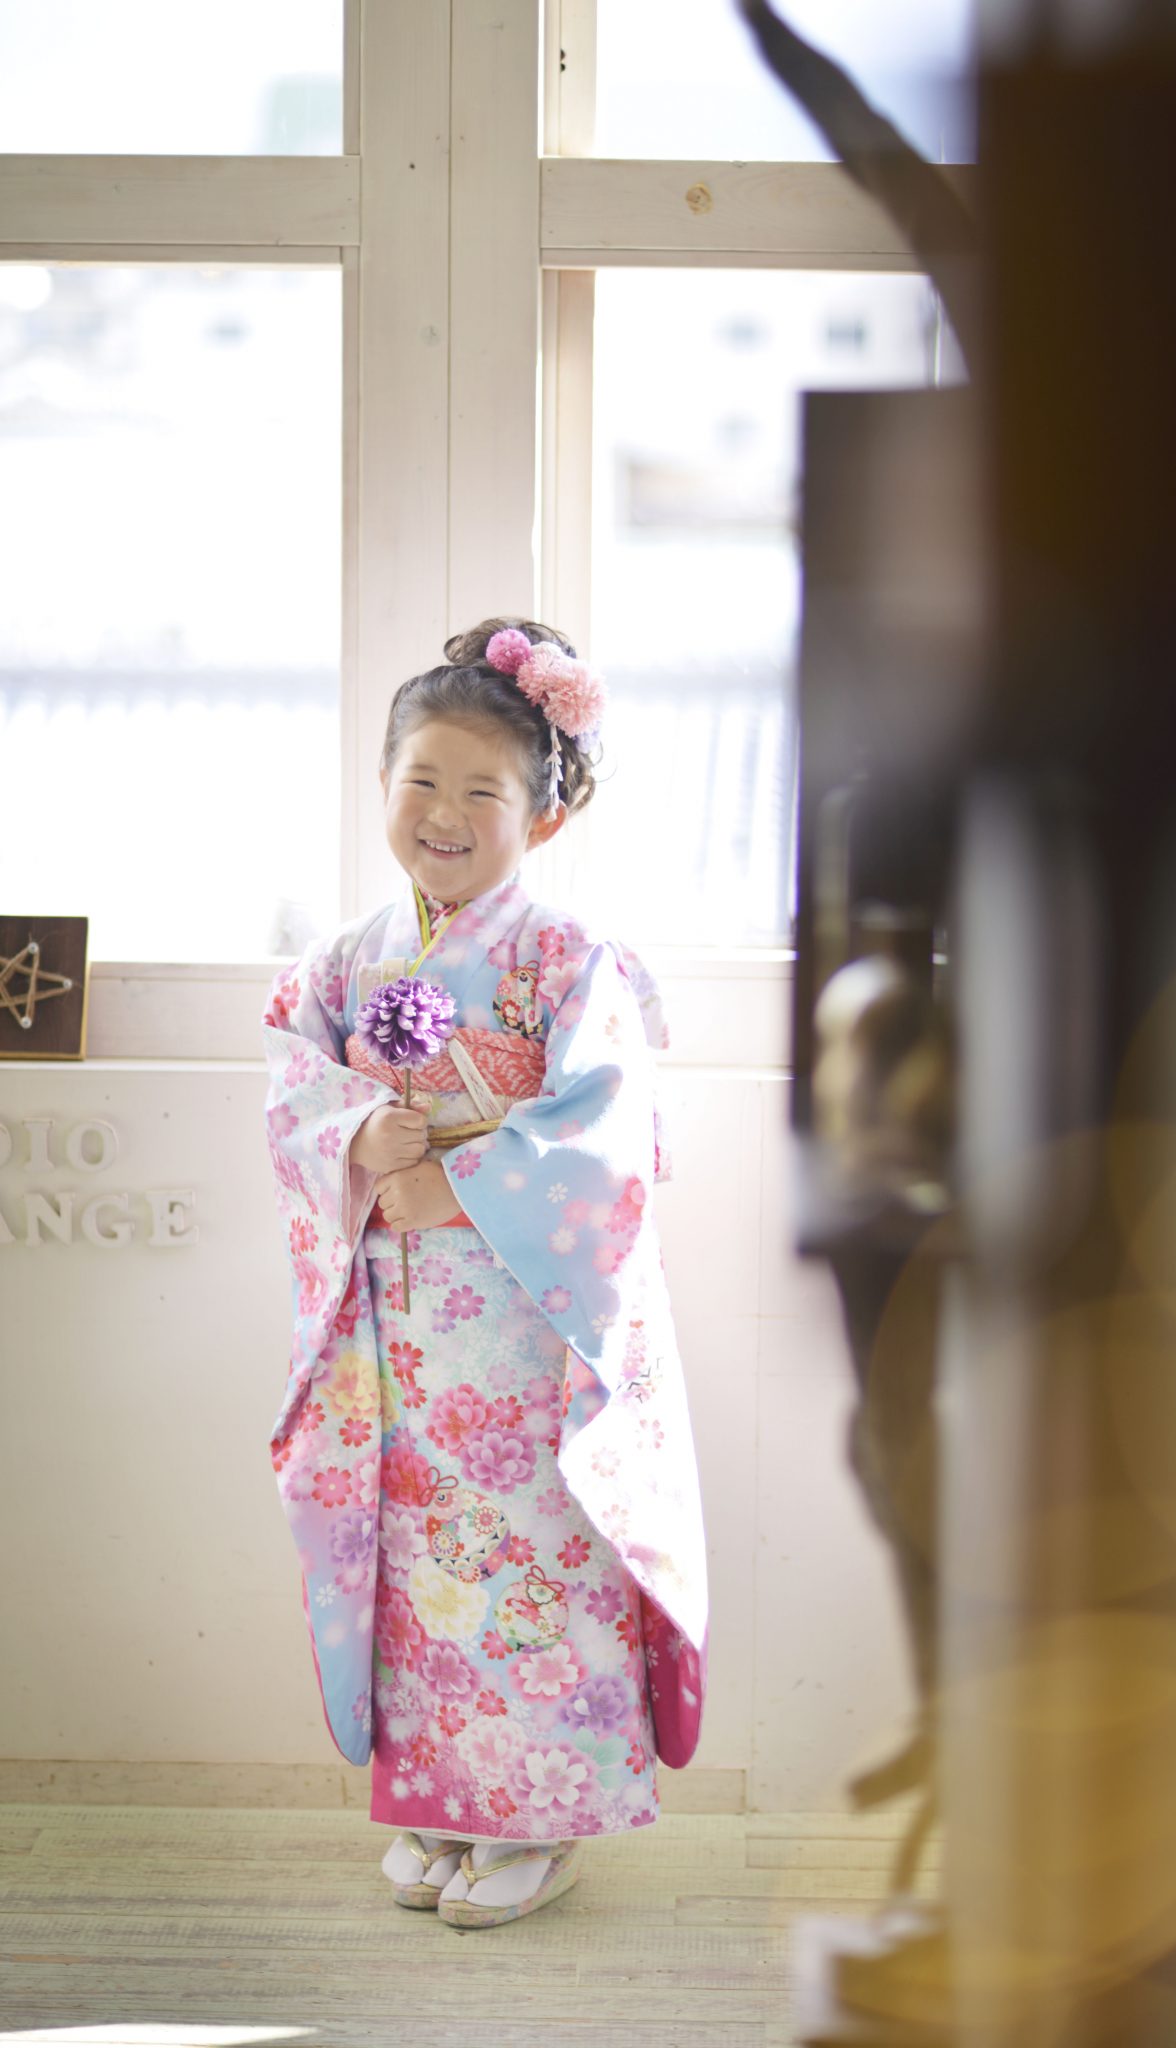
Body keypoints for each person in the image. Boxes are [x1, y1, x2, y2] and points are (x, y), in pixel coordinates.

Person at [262, 618, 708, 1929]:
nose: (445, 813)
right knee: (420, 1563)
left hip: (530, 1331)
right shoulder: (346, 959)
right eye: (422, 779)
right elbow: (293, 1090)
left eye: (482, 790)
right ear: (382, 783)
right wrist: (358, 1136)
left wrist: (447, 1183)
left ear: (545, 816)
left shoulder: (571, 961)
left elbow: (608, 1132)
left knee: (532, 1560)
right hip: (398, 1334)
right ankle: (440, 1803)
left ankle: (538, 1819)